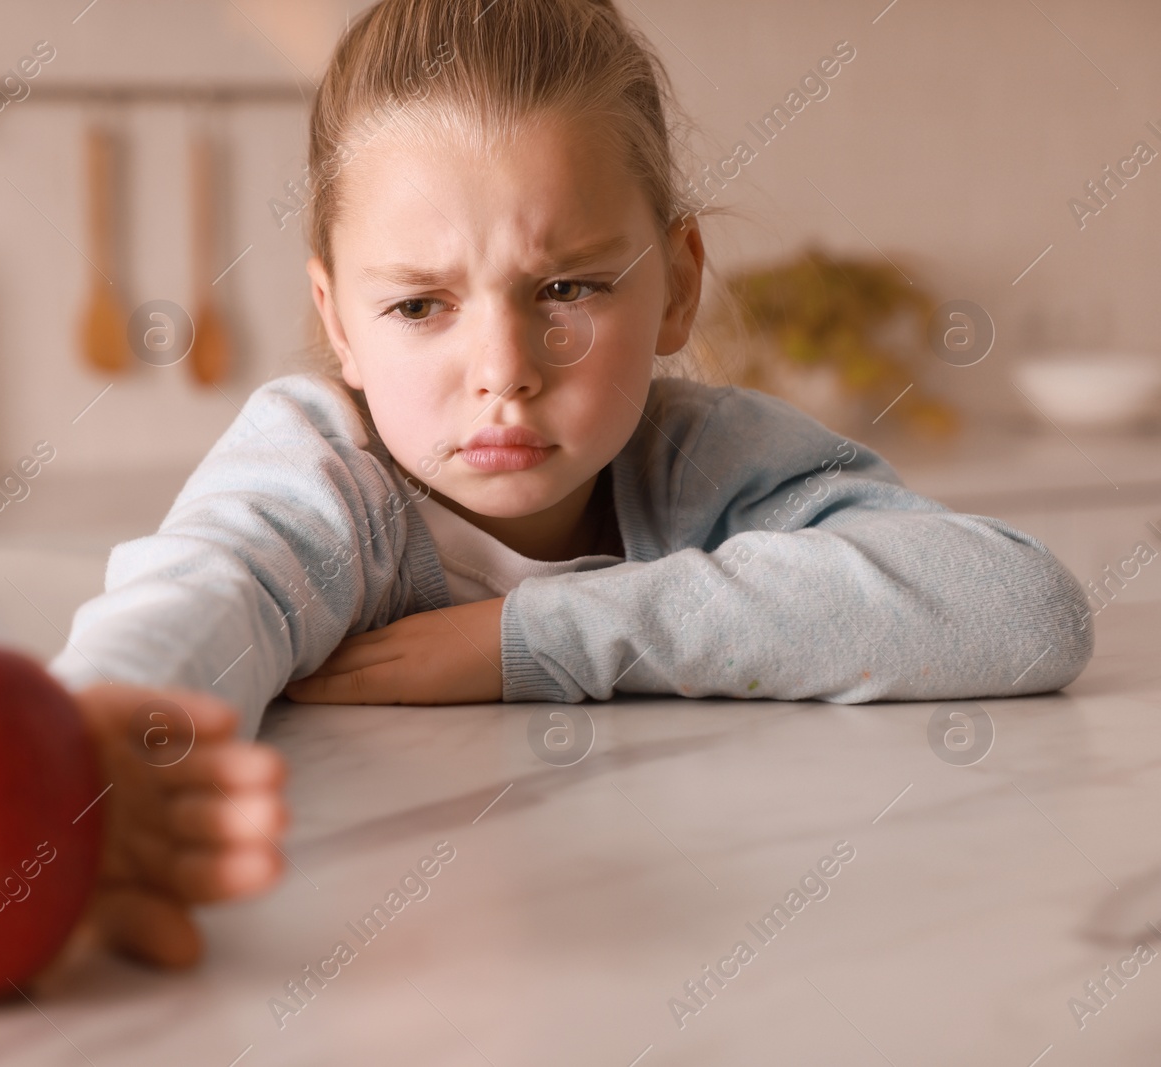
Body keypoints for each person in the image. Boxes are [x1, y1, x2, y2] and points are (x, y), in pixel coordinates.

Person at [54, 0, 1093, 961]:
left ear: (678, 283)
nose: (503, 367)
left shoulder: (700, 460)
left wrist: (534, 635)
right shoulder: (323, 474)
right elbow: (207, 589)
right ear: (337, 323)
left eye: (565, 287)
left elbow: (1018, 606)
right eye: (420, 305)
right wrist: (86, 732)